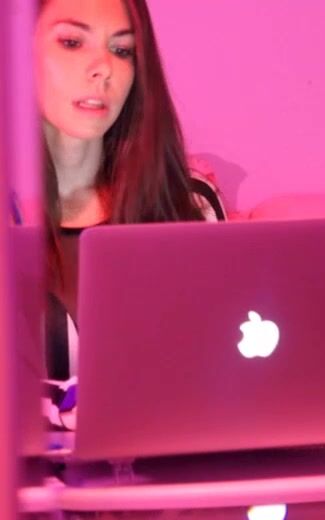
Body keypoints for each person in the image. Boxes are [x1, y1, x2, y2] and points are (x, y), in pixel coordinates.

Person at [32, 0, 226, 413]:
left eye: (122, 50)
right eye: (72, 42)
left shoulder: (189, 204)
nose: (103, 68)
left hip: (171, 451)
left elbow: (223, 364)